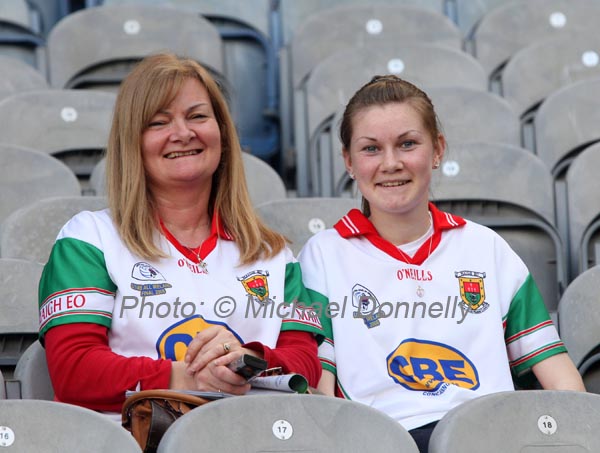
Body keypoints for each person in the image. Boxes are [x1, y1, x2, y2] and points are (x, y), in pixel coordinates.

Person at [297, 75, 585, 452]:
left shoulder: (487, 249)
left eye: (407, 144)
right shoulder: (322, 255)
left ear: (437, 151)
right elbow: (320, 391)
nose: (391, 163)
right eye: (371, 149)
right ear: (348, 161)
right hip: (382, 441)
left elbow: (561, 380)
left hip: (492, 438)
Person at [38, 53, 323, 420]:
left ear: (221, 132)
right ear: (132, 142)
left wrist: (245, 361)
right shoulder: (88, 239)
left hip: (254, 436)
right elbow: (74, 371)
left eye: (197, 116)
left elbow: (305, 363)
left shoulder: (273, 253)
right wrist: (188, 377)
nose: (183, 133)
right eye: (159, 122)